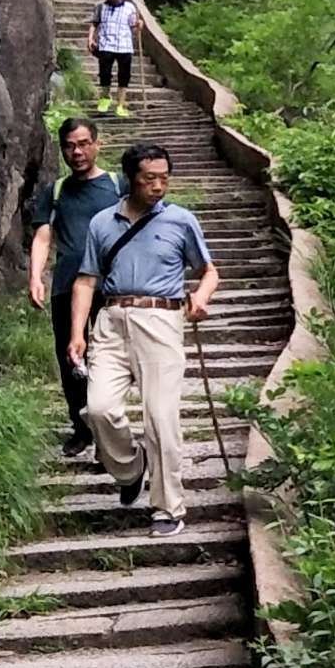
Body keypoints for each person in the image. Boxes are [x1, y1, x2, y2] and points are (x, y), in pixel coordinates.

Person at [66, 140, 220, 538]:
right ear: (131, 179)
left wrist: (200, 297)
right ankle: (131, 469)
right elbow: (86, 280)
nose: (158, 186)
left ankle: (168, 508)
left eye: (164, 178)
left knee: (161, 419)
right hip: (111, 321)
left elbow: (209, 271)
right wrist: (76, 334)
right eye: (150, 178)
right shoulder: (102, 223)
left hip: (161, 320)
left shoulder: (181, 221)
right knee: (98, 409)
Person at [26, 116, 121, 458]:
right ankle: (81, 429)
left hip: (111, 286)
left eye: (83, 144)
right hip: (67, 284)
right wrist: (36, 276)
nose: (77, 152)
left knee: (108, 358)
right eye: (69, 146)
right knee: (71, 357)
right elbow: (42, 235)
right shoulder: (56, 191)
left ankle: (107, 434)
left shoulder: (117, 184)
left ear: (97, 144)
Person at [90, 0, 141, 113]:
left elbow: (133, 28)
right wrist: (90, 39)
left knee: (124, 75)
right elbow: (94, 23)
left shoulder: (130, 8)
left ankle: (120, 104)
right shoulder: (100, 7)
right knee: (104, 73)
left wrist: (139, 25)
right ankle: (105, 98)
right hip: (106, 44)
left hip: (125, 46)